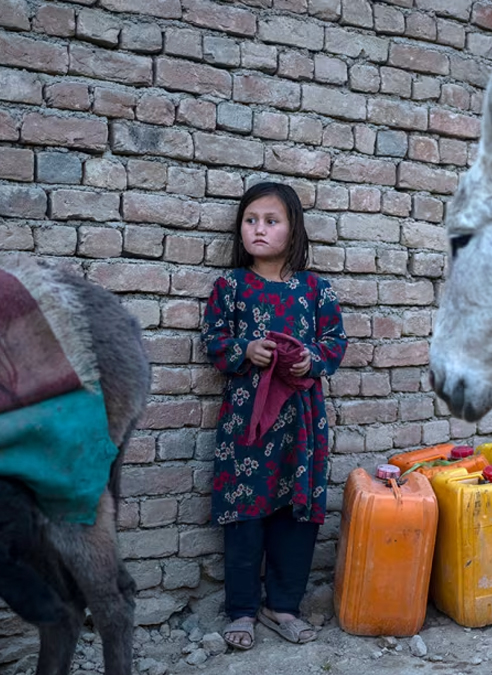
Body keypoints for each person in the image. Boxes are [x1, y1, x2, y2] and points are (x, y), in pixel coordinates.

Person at [201, 182, 348, 651]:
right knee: (245, 510)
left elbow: (335, 342)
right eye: (250, 220)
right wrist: (246, 348)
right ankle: (242, 610)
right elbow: (215, 341)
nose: (259, 229)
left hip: (301, 423)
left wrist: (310, 360)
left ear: (294, 230)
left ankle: (283, 605)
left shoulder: (315, 290)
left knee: (295, 511)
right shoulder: (231, 287)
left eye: (271, 221)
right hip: (247, 421)